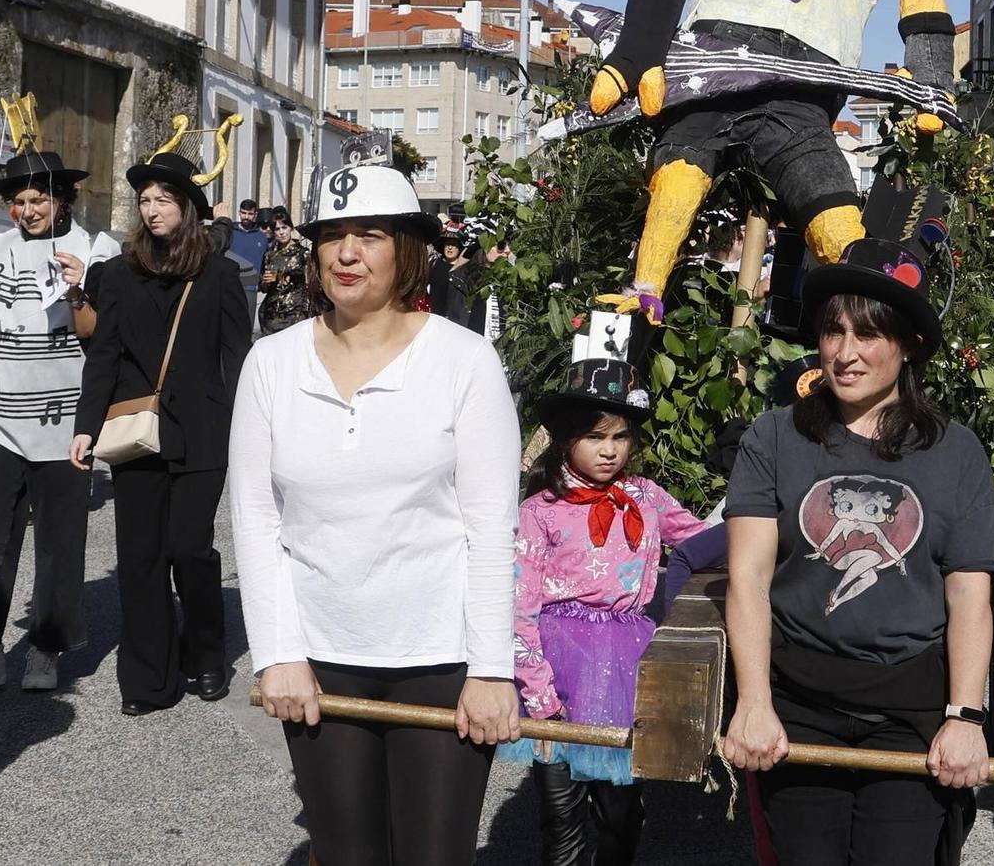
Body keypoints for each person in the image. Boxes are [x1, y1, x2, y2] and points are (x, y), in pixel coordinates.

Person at [230, 164, 521, 865]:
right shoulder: (271, 364)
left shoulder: (465, 360)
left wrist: (491, 667)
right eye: (332, 236)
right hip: (321, 656)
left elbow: (490, 528)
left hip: (440, 657)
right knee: (346, 855)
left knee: (434, 856)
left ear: (408, 250)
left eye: (369, 234)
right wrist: (276, 653)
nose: (346, 253)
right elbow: (256, 519)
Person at [721, 234, 994, 864]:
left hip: (911, 710)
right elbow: (748, 577)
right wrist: (755, 705)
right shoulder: (774, 436)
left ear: (908, 345)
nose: (846, 353)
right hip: (800, 703)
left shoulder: (955, 452)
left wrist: (965, 717)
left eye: (868, 334)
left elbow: (968, 593)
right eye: (833, 330)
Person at [507, 356, 709, 864]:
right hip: (557, 670)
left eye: (620, 437)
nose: (609, 450)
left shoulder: (648, 498)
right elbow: (519, 605)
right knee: (561, 812)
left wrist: (765, 520)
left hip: (626, 667)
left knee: (621, 812)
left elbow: (708, 540)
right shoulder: (539, 511)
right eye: (596, 437)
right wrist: (539, 691)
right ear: (566, 440)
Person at [71, 151, 252, 715]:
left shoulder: (219, 274)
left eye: (163, 199)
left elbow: (238, 357)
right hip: (134, 430)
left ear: (188, 208)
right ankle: (149, 678)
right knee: (141, 555)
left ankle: (205, 654)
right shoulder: (119, 274)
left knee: (189, 548)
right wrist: (85, 427)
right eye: (144, 200)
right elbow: (103, 354)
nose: (151, 210)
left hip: (202, 431)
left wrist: (245, 429)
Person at [0, 149, 119, 700]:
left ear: (62, 197)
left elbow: (106, 337)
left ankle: (45, 648)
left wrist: (81, 287)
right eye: (18, 202)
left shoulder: (96, 248)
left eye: (38, 198)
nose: (27, 210)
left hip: (65, 422)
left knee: (61, 542)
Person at [256, 207, 313, 336]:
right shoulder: (270, 255)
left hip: (295, 312)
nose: (281, 232)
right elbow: (264, 288)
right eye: (277, 229)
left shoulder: (302, 254)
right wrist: (266, 282)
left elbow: (309, 283)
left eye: (284, 227)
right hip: (272, 312)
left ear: (291, 228)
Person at [227, 196, 271, 270]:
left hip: (254, 279)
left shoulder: (261, 236)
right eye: (243, 213)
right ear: (239, 213)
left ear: (255, 215)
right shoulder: (229, 232)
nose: (246, 217)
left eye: (250, 214)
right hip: (232, 279)